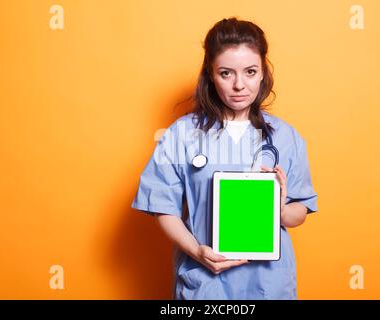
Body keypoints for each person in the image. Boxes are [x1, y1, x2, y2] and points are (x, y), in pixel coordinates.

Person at [131, 17, 318, 300]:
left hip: (269, 282)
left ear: (263, 73)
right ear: (211, 73)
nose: (239, 85)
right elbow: (161, 206)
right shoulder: (182, 133)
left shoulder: (286, 137)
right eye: (226, 73)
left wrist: (279, 210)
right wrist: (196, 251)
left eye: (250, 72)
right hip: (205, 281)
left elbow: (299, 212)